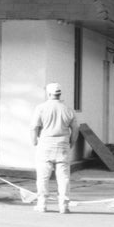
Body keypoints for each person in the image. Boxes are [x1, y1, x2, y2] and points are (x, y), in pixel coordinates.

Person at [31, 82, 79, 213]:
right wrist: (71, 143)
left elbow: (34, 127)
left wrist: (34, 140)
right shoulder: (68, 109)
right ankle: (64, 205)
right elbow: (75, 129)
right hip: (63, 144)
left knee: (43, 176)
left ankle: (42, 204)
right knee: (63, 177)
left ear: (48, 94)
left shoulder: (41, 108)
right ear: (60, 94)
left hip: (46, 144)